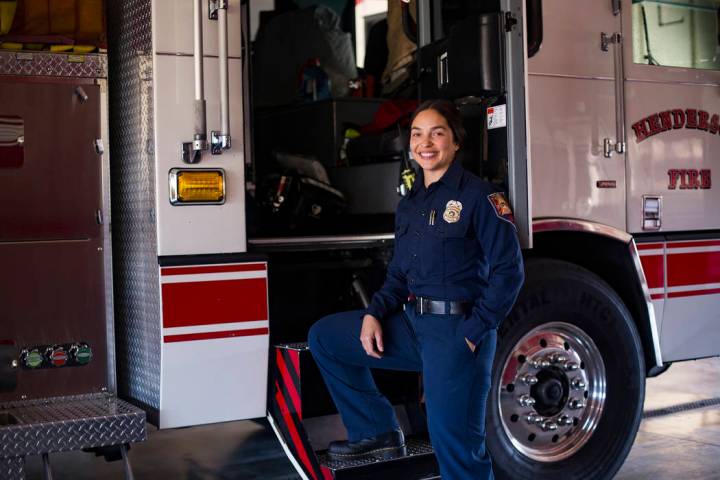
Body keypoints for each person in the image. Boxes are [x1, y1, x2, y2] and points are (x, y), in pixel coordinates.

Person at [308, 99, 524, 479]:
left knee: (456, 449)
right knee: (325, 337)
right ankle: (376, 431)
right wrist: (375, 313)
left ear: (456, 142)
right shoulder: (410, 205)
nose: (426, 142)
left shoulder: (482, 197)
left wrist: (473, 334)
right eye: (417, 134)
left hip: (457, 333)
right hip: (411, 325)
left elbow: (509, 274)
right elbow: (398, 276)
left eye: (437, 133)